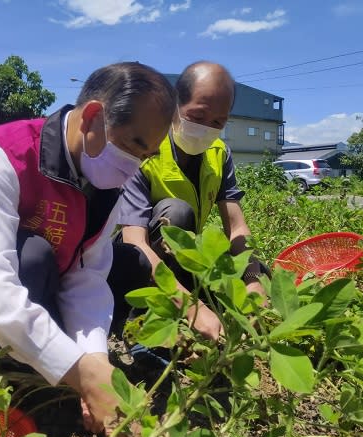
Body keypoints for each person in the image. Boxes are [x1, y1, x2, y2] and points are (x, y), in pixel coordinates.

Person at [0, 61, 176, 434]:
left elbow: (88, 276)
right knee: (32, 253)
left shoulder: (105, 184)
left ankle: (53, 364)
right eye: (134, 144)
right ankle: (21, 384)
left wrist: (94, 360)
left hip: (40, 279)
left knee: (125, 261)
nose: (134, 167)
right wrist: (79, 372)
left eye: (145, 156)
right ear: (94, 117)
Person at [110, 61, 266, 344]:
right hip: (131, 261)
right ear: (174, 107)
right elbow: (135, 242)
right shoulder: (146, 148)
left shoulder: (219, 153)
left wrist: (252, 277)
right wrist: (192, 307)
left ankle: (187, 301)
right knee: (177, 212)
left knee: (226, 259)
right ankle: (139, 323)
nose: (206, 128)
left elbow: (237, 227)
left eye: (218, 122)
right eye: (197, 116)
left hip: (181, 259)